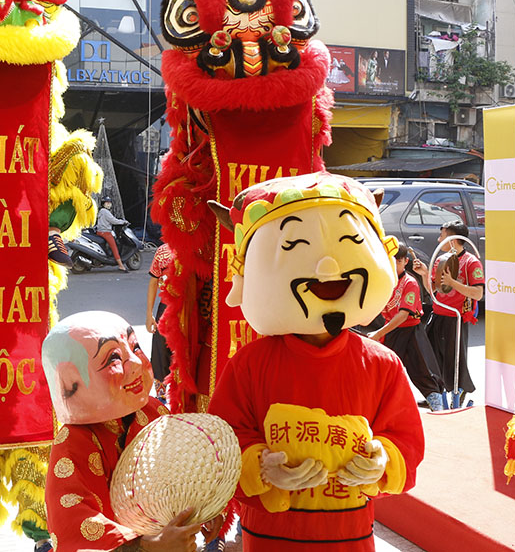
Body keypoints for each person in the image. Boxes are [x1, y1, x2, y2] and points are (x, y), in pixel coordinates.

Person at [206, 173, 424, 551]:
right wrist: (260, 466)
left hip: (350, 536)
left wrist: (383, 461)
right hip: (270, 538)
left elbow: (406, 439)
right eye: (293, 245)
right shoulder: (249, 364)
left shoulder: (381, 364)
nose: (327, 269)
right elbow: (220, 441)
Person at [41, 311, 224, 551]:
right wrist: (150, 546)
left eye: (135, 347)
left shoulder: (153, 411)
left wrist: (201, 507)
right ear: (71, 381)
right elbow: (74, 525)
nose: (137, 364)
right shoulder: (72, 444)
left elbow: (180, 476)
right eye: (114, 358)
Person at [411, 220, 484, 409]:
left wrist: (453, 283)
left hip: (456, 317)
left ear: (452, 240)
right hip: (439, 313)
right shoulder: (441, 260)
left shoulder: (471, 262)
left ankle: (459, 392)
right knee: (431, 357)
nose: (438, 240)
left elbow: (478, 293)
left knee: (454, 360)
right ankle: (436, 394)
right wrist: (424, 273)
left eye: (442, 236)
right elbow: (433, 290)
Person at [369, 244, 447, 412]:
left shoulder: (410, 283)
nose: (394, 264)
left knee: (422, 369)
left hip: (410, 331)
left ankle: (436, 402)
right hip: (390, 330)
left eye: (398, 261)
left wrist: (378, 333)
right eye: (391, 260)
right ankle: (381, 405)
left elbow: (403, 315)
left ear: (405, 261)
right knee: (382, 370)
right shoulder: (384, 281)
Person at [146, 243, 175, 403]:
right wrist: (149, 314)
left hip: (190, 307)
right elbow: (153, 281)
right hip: (165, 307)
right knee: (160, 349)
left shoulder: (197, 249)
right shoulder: (162, 251)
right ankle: (161, 395)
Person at [96, 197, 128, 271]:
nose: (109, 204)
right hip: (105, 233)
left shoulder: (101, 211)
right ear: (103, 204)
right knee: (114, 247)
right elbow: (113, 221)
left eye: (109, 203)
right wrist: (123, 222)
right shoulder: (105, 212)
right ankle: (121, 265)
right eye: (107, 203)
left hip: (99, 232)